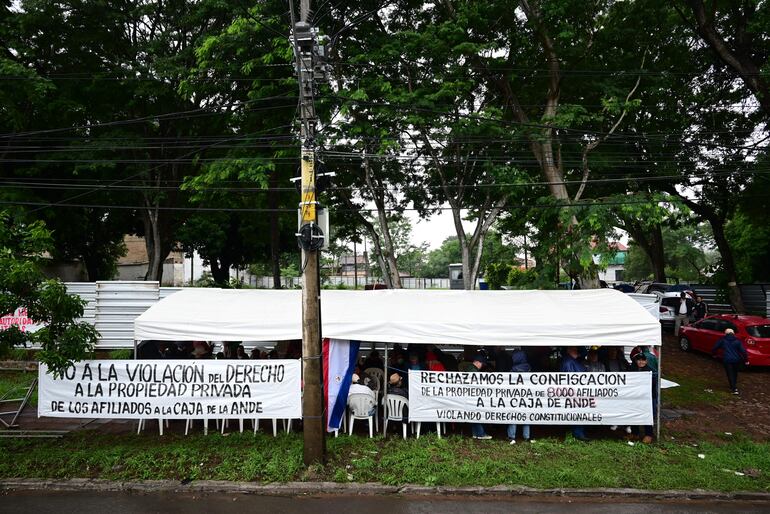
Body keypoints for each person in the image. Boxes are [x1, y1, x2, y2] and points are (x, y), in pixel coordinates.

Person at [561, 346, 589, 442]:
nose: (577, 351)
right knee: (577, 412)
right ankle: (578, 433)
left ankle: (579, 432)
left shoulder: (574, 360)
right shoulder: (568, 362)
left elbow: (584, 352)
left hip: (579, 390)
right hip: (575, 391)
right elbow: (570, 378)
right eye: (575, 349)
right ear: (568, 350)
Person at [711, 328, 748, 395]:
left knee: (730, 373)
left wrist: (714, 354)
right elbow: (743, 351)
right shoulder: (737, 341)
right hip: (736, 359)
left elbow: (714, 348)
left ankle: (734, 388)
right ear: (733, 333)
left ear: (726, 333)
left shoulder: (723, 340)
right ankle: (733, 385)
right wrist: (746, 360)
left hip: (727, 359)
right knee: (735, 372)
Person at [631, 353, 658, 443]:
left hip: (647, 397)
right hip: (635, 396)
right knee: (634, 414)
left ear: (646, 361)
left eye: (643, 360)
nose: (641, 362)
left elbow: (653, 385)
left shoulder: (651, 371)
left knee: (647, 414)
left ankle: (648, 434)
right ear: (635, 361)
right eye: (639, 360)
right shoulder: (632, 369)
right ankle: (635, 433)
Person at [507, 350, 532, 444]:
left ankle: (512, 436)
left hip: (514, 395)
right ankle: (526, 436)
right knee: (526, 415)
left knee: (513, 415)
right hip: (526, 395)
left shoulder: (513, 370)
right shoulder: (529, 368)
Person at [469, 354, 492, 440]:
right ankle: (481, 433)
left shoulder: (470, 368)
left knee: (473, 414)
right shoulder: (473, 370)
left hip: (470, 396)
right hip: (474, 395)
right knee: (477, 414)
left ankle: (475, 433)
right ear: (478, 362)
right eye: (482, 364)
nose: (482, 366)